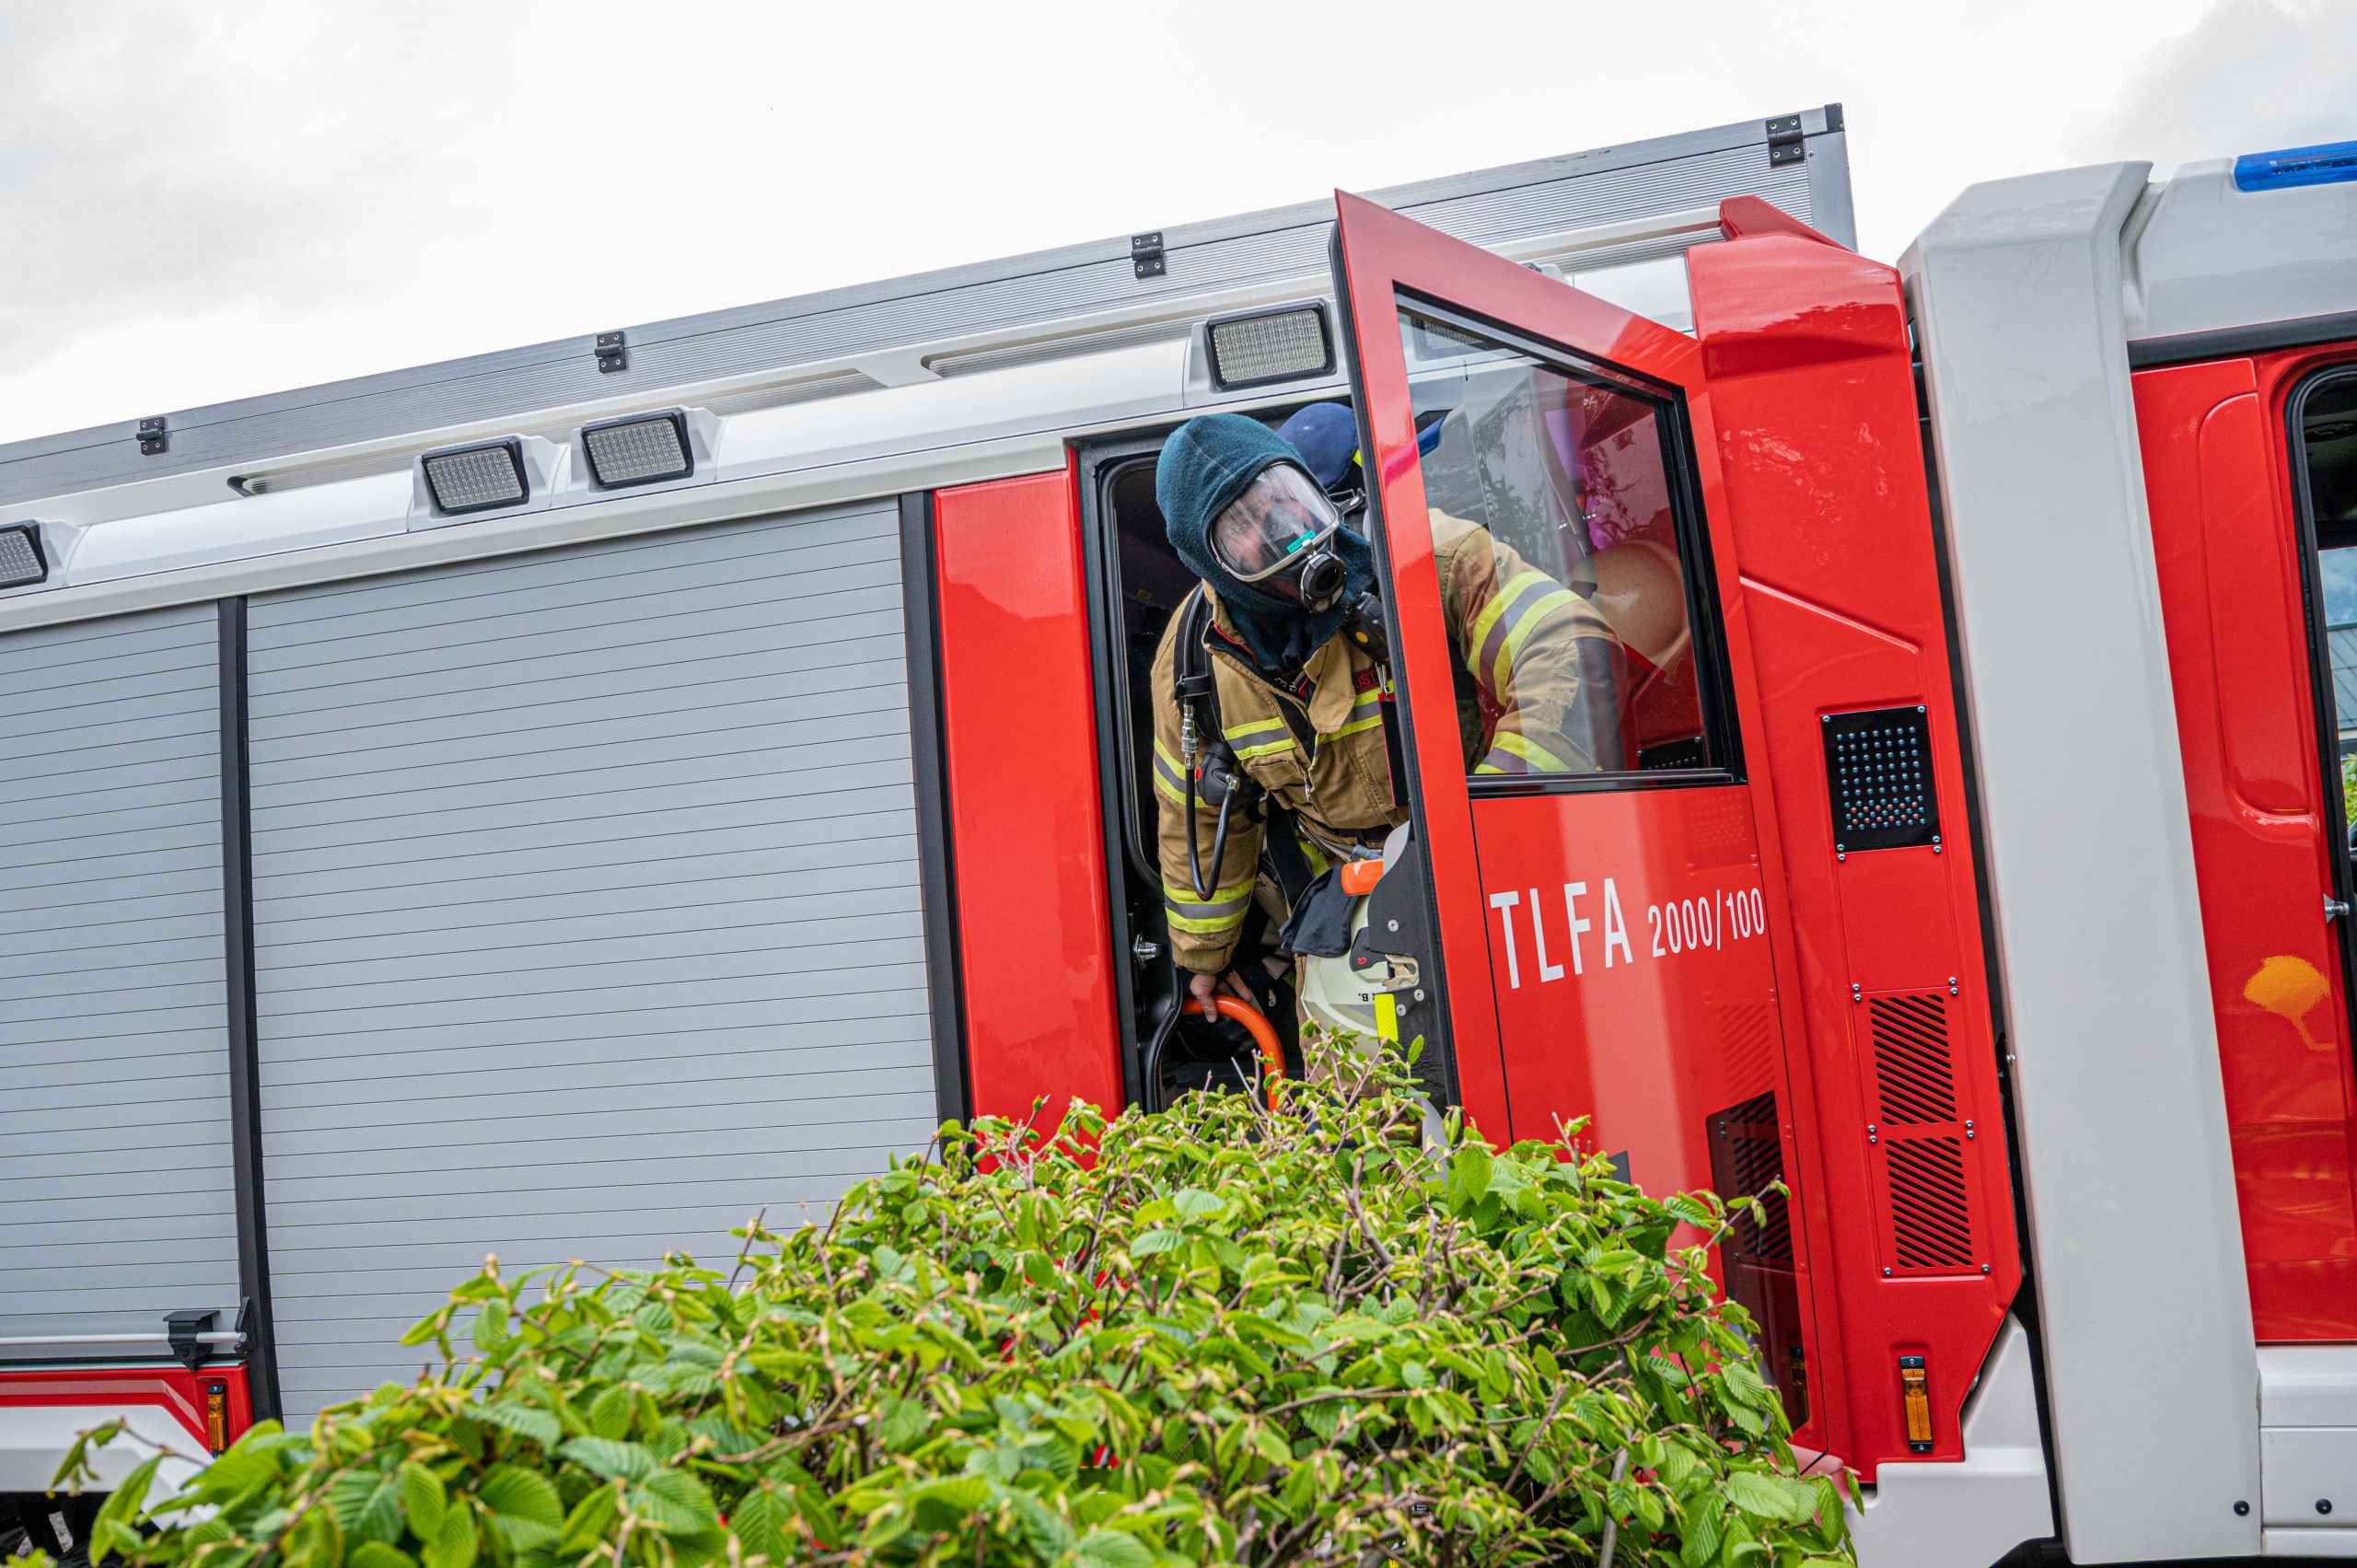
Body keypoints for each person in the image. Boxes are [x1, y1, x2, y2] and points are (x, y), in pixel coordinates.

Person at [1149, 407, 1621, 1007]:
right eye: (1243, 520)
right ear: (1209, 560)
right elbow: (1198, 811)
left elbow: (1575, 654)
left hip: (1483, 888)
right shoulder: (1193, 661)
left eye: (1283, 491)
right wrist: (1204, 958)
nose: (1284, 522)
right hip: (1344, 923)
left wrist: (1480, 835)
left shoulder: (1419, 557)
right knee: (1364, 1093)